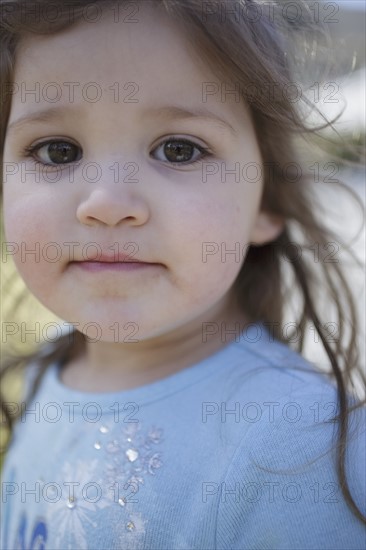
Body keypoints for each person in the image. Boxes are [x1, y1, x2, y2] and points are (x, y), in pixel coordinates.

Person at [0, 1, 365, 548]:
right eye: (57, 151)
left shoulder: (305, 445)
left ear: (267, 201)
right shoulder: (49, 368)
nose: (106, 203)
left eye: (178, 149)